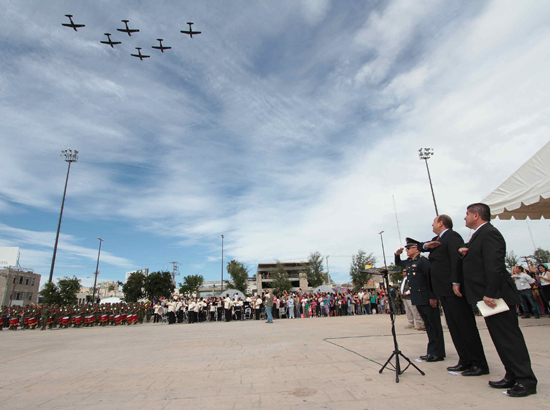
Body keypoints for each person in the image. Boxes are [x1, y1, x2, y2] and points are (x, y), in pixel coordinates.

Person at [459, 203, 537, 397]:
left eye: (467, 214)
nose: (465, 217)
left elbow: (494, 266)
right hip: (488, 296)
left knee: (509, 338)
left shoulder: (489, 233)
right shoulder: (478, 235)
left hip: (495, 295)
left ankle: (526, 380)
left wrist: (490, 292)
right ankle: (512, 374)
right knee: (500, 338)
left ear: (476, 215)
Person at [421, 214, 488, 376]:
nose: (432, 224)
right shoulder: (438, 239)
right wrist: (425, 246)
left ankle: (478, 363)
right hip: (443, 290)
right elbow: (419, 246)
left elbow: (456, 261)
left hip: (453, 290)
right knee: (454, 327)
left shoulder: (452, 236)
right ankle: (465, 360)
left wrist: (456, 282)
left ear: (441, 223)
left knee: (465, 326)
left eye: (434, 222)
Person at [395, 238, 445, 362]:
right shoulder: (410, 262)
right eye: (406, 248)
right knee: (428, 325)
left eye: (408, 248)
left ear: (416, 248)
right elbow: (399, 263)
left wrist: (433, 297)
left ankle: (438, 353)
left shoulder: (423, 261)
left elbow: (430, 279)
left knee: (434, 325)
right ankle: (431, 351)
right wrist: (397, 255)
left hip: (427, 298)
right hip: (418, 299)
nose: (406, 250)